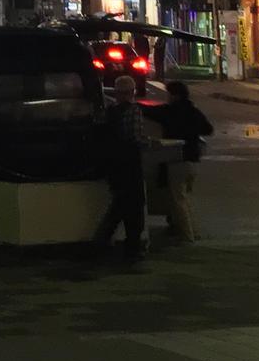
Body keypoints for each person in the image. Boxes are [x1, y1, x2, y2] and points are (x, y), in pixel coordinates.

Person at [147, 81, 215, 243]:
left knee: (178, 200)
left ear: (175, 95)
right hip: (192, 161)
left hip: (176, 159)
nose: (167, 97)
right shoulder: (194, 112)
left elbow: (148, 111)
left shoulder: (169, 112)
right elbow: (208, 129)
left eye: (169, 94)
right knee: (182, 198)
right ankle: (186, 231)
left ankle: (187, 236)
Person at [92, 77, 146, 264]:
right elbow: (136, 138)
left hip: (113, 166)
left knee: (118, 206)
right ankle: (131, 248)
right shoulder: (134, 111)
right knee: (133, 210)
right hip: (130, 166)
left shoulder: (107, 112)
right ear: (131, 92)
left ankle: (101, 243)